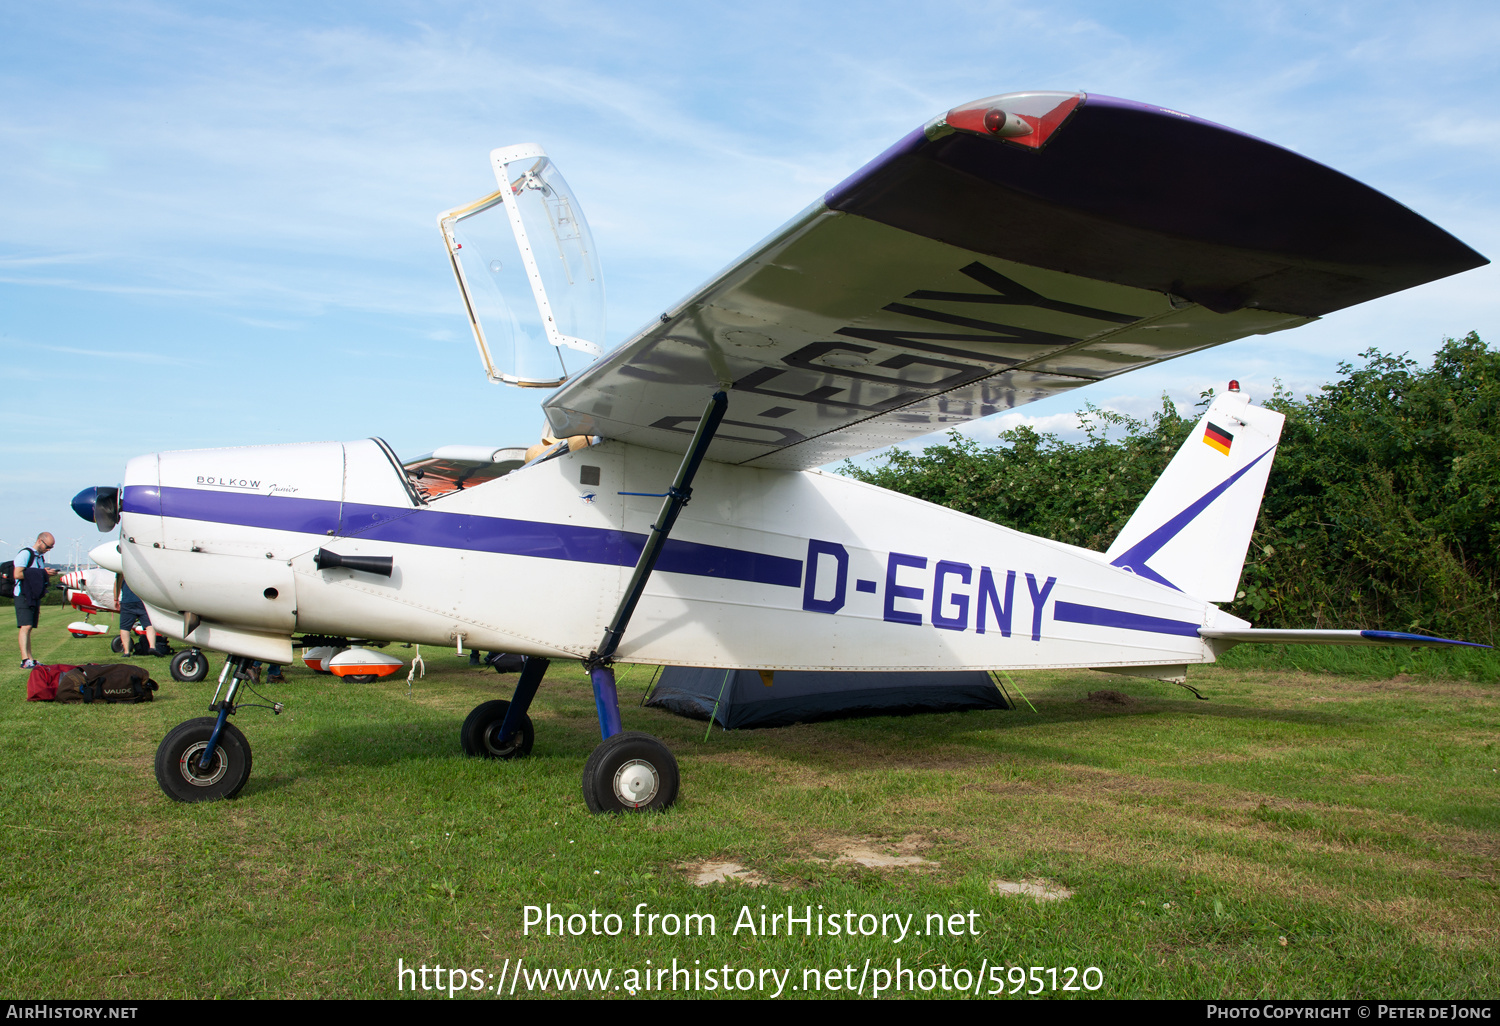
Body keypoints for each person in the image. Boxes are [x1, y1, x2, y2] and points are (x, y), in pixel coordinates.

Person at [14, 533, 60, 669]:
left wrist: (45, 574)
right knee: (25, 626)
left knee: (29, 628)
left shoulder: (39, 558)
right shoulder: (25, 554)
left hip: (33, 595)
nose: (49, 549)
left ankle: (30, 659)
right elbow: (17, 574)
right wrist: (43, 573)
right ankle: (24, 660)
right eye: (48, 546)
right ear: (40, 541)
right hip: (23, 594)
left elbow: (36, 575)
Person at [113, 573, 158, 657]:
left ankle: (126, 652)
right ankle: (152, 647)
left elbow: (116, 584)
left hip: (127, 601)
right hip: (142, 600)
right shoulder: (141, 569)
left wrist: (116, 599)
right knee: (149, 625)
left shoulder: (121, 570)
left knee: (125, 627)